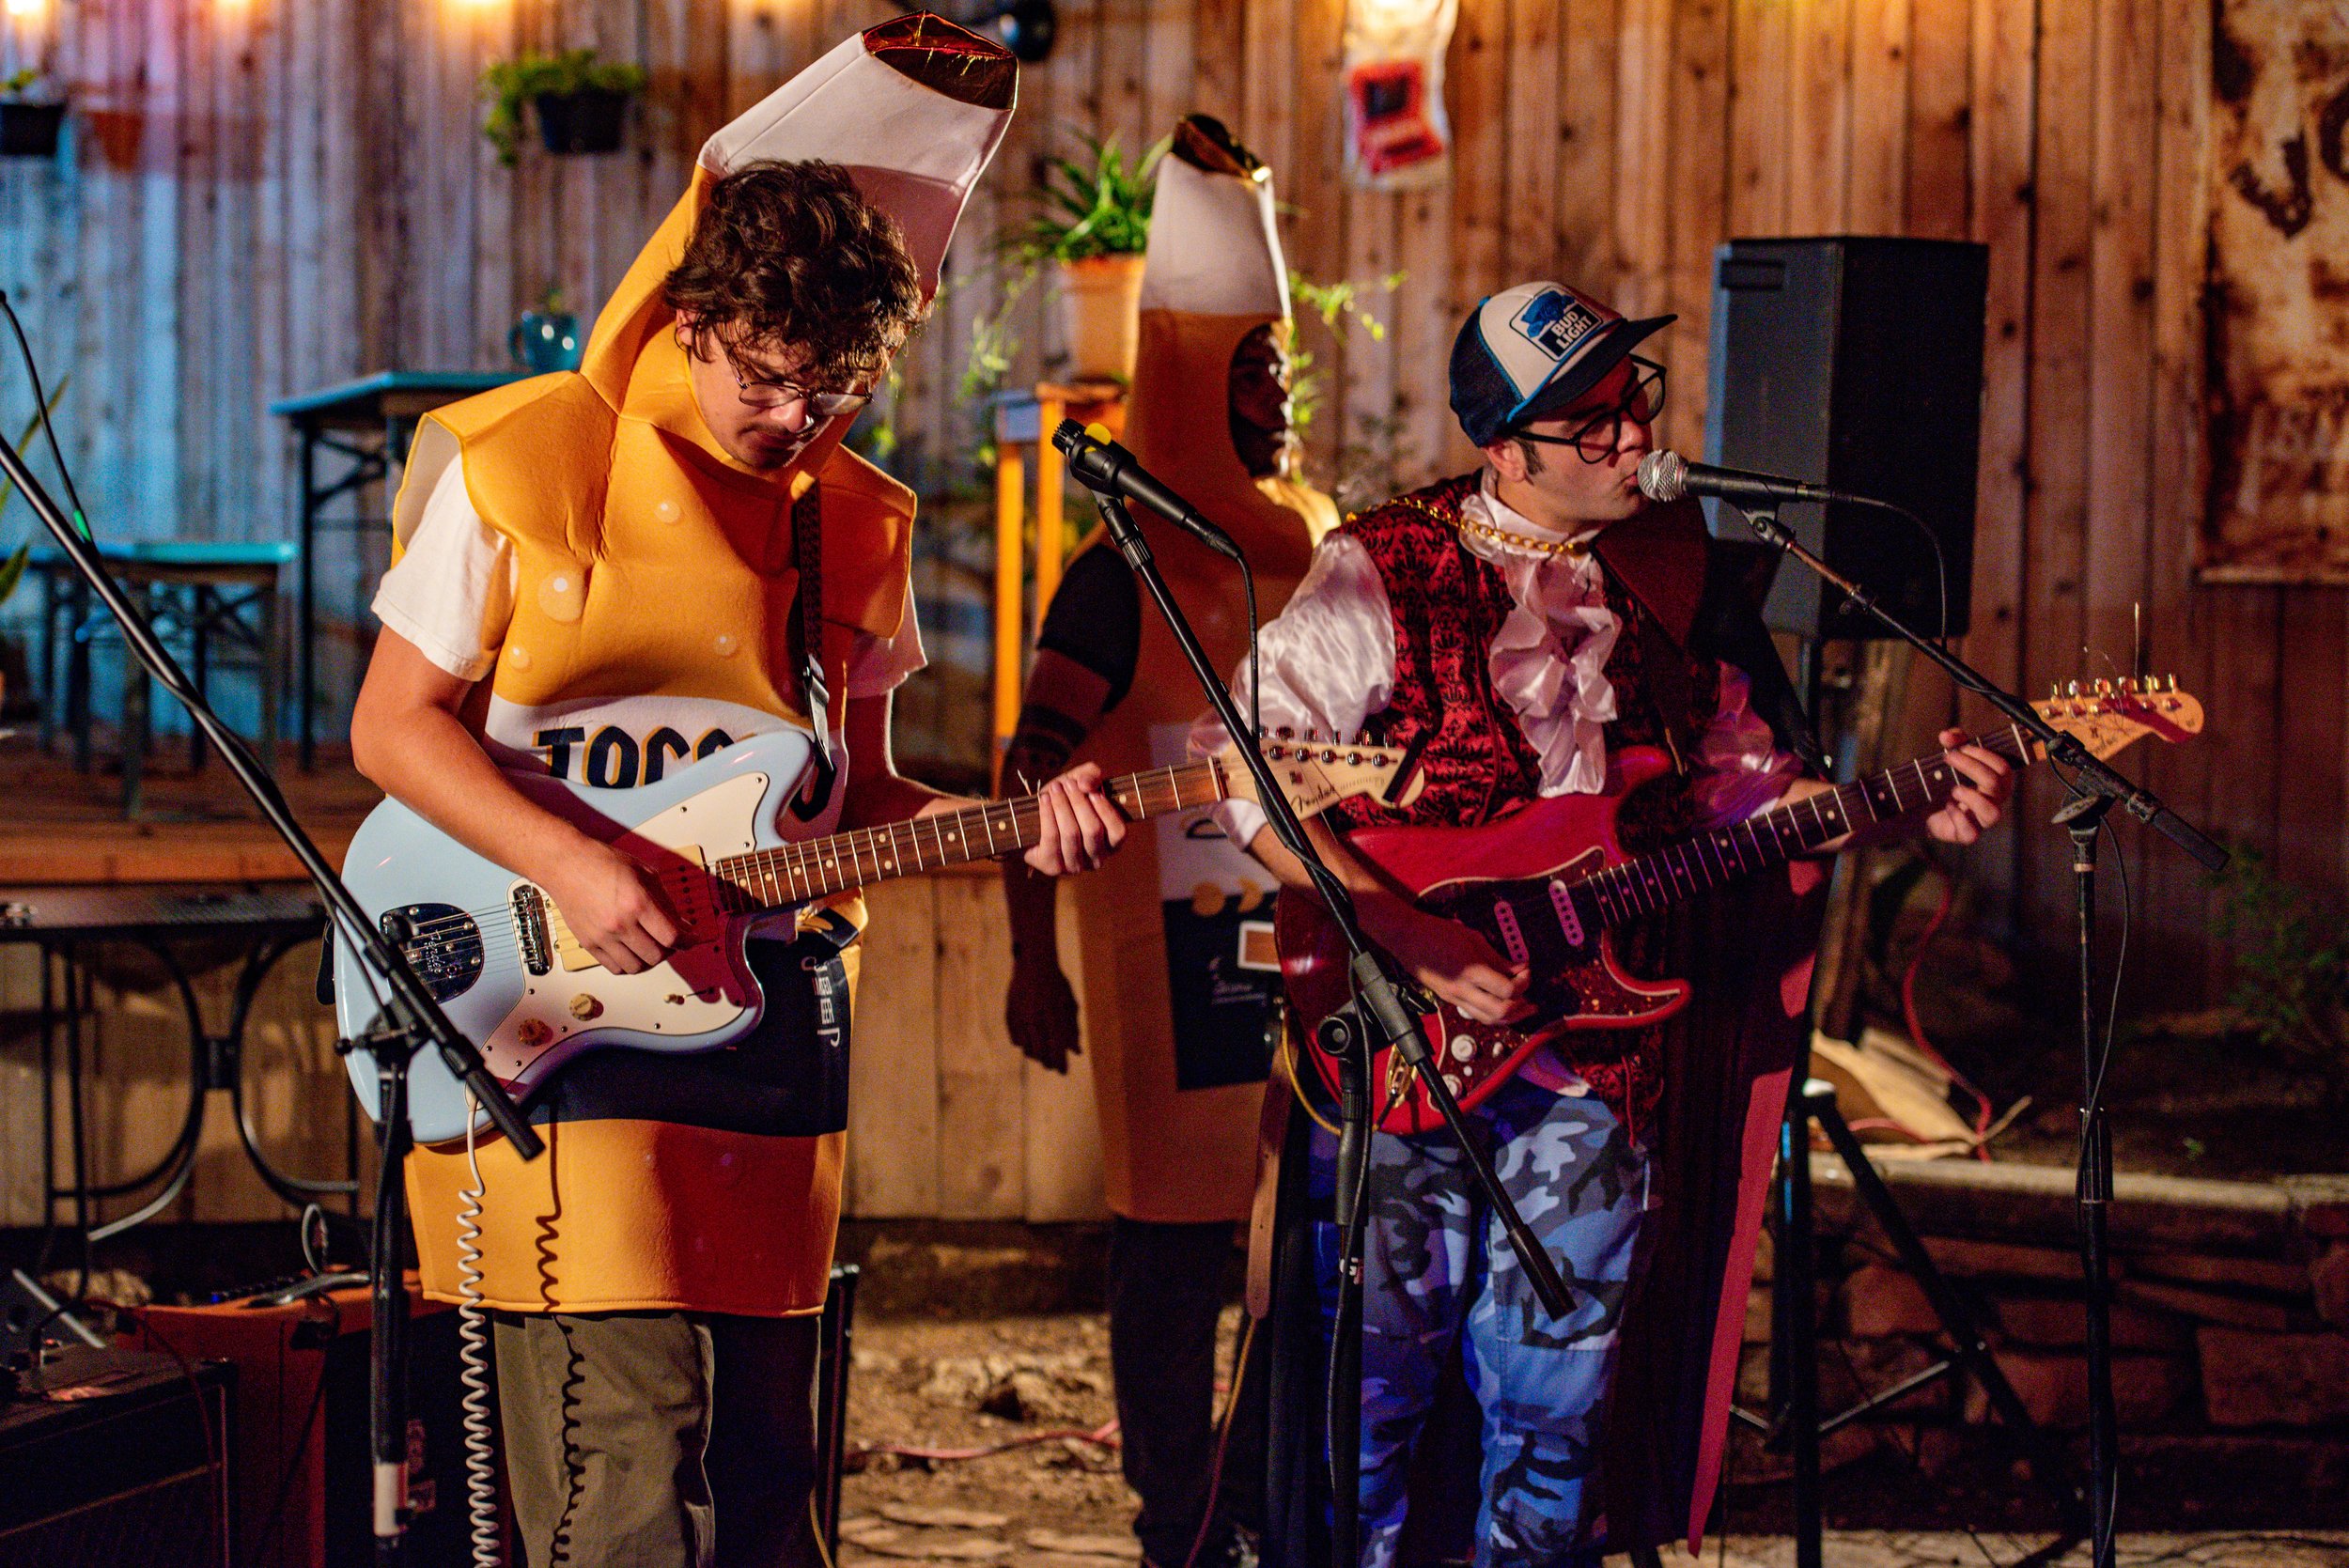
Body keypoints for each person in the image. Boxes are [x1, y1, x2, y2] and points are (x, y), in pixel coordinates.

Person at [349, 21, 1127, 1568]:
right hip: (556, 1017)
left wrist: (1013, 823)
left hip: (773, 1033)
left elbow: (861, 799)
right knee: (619, 1479)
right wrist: (571, 865)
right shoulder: (524, 462)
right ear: (692, 322)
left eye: (836, 391)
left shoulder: (861, 519)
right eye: (772, 381)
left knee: (775, 1485)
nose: (801, 421)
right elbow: (394, 726)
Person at [1208, 280, 2015, 1567]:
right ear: (1503, 446)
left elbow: (1752, 790)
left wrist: (1912, 803)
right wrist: (1405, 936)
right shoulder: (1382, 565)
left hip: (1599, 1059)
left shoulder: (1667, 577)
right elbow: (1242, 773)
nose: (1631, 438)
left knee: (1557, 1424)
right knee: (1368, 1415)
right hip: (1407, 1047)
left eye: (1629, 405)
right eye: (1588, 423)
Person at [1000, 114, 1336, 1568]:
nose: (1277, 394)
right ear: (1193, 381)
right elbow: (1023, 774)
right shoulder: (1105, 576)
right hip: (1167, 962)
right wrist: (1030, 961)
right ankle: (1170, 1519)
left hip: (1302, 944)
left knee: (1306, 1240)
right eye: (1248, 367)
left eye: (1281, 364)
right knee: (1173, 1252)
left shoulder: (1316, 543)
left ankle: (1268, 1491)